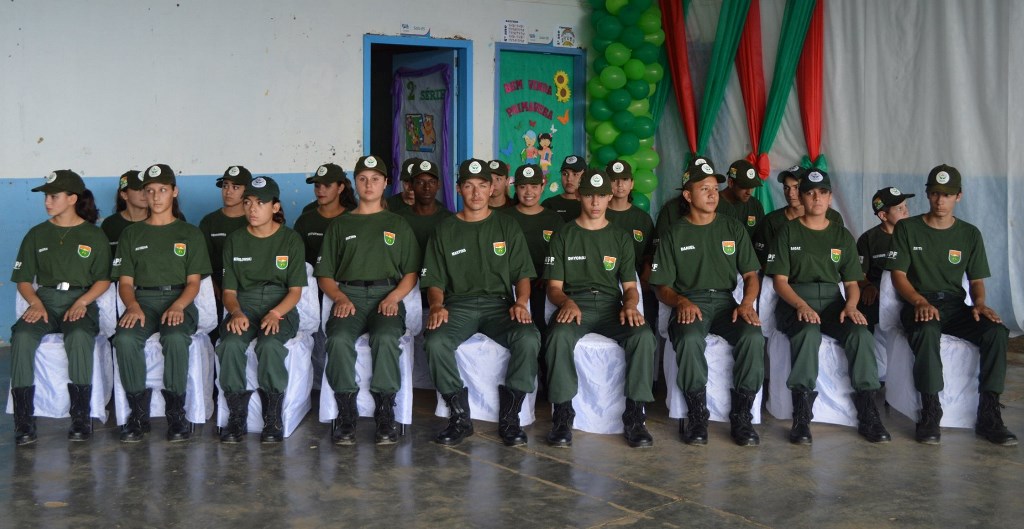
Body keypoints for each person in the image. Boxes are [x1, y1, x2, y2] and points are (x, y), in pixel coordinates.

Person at [887, 164, 1016, 446]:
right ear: (927, 194)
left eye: (947, 194)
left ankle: (989, 413)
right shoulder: (908, 228)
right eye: (935, 193)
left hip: (956, 306)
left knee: (996, 332)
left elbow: (977, 280)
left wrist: (980, 303)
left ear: (959, 196)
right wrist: (919, 300)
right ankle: (931, 411)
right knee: (927, 329)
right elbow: (898, 276)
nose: (940, 200)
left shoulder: (970, 234)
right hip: (919, 302)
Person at [421, 158, 540, 447]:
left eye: (482, 186)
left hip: (499, 305)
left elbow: (523, 274)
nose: (476, 193)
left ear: (492, 189)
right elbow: (434, 281)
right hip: (458, 305)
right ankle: (459, 415)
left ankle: (511, 416)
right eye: (469, 186)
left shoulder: (507, 226)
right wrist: (437, 306)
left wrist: (521, 302)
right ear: (459, 189)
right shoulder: (444, 229)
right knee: (435, 341)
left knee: (528, 338)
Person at [765, 169, 890, 445]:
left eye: (822, 193)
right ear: (802, 196)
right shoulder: (787, 232)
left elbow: (852, 282)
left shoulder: (841, 235)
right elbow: (780, 282)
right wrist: (800, 305)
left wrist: (852, 306)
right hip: (795, 301)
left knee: (859, 333)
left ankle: (868, 410)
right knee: (808, 331)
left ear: (830, 197)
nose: (816, 198)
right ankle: (801, 414)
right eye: (809, 192)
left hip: (834, 302)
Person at [649, 163, 765, 446]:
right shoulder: (675, 233)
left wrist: (747, 303)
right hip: (691, 303)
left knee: (752, 336)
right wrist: (680, 301)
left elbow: (751, 274)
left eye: (715, 189)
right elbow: (660, 285)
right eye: (704, 189)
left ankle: (742, 415)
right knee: (688, 339)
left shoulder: (732, 228)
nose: (713, 195)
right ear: (688, 196)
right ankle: (697, 415)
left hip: (727, 304)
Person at [544, 168, 657, 449]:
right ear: (580, 196)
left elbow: (630, 288)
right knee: (557, 336)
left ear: (610, 197)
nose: (595, 203)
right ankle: (562, 413)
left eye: (601, 196)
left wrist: (631, 305)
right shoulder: (563, 235)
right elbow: (554, 287)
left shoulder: (620, 237)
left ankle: (634, 415)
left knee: (642, 336)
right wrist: (565, 301)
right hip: (575, 304)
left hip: (610, 306)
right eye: (590, 196)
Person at [316, 155, 420, 445]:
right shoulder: (340, 225)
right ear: (355, 183)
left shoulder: (398, 224)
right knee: (336, 339)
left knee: (386, 337)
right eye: (363, 179)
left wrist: (395, 296)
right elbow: (324, 275)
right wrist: (338, 296)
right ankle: (346, 410)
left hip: (386, 295)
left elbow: (411, 272)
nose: (369, 184)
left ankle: (385, 410)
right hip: (348, 296)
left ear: (386, 183)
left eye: (376, 179)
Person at [111, 164, 212, 442]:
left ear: (174, 192)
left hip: (178, 299)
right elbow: (126, 283)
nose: (156, 197)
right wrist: (131, 306)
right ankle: (137, 413)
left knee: (176, 338)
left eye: (163, 190)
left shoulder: (190, 233)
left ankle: (176, 412)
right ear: (144, 194)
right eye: (150, 191)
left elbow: (194, 282)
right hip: (141, 301)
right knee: (125, 339)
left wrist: (179, 306)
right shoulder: (131, 234)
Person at [9, 170, 111, 445]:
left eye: (53, 196)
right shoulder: (37, 234)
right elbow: (23, 280)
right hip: (45, 301)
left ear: (72, 198)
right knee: (21, 336)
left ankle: (80, 416)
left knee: (78, 336)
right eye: (46, 196)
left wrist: (82, 302)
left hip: (80, 300)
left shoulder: (93, 235)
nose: (47, 201)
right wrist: (35, 302)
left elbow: (103, 279)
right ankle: (24, 420)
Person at [215, 176, 305, 444]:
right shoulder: (235, 240)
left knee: (269, 345)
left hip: (281, 306)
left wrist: (276, 313)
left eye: (261, 203)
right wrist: (236, 313)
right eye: (248, 202)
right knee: (230, 343)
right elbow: (229, 292)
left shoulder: (290, 240)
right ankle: (236, 416)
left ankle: (273, 416)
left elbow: (295, 291)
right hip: (245, 305)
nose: (253, 209)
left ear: (275, 207)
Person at [506, 164, 564, 394]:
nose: (528, 192)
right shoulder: (504, 218)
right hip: (511, 287)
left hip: (545, 284)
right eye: (522, 187)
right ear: (515, 188)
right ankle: (522, 384)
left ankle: (547, 377)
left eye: (533, 186)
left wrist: (548, 278)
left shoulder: (554, 220)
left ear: (542, 187)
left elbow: (560, 257)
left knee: (545, 325)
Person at [752, 165, 844, 268]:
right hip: (779, 277)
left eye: (796, 187)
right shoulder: (771, 221)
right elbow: (762, 260)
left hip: (826, 278)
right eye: (786, 188)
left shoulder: (833, 217)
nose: (791, 194)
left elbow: (841, 257)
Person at [199, 165, 252, 334]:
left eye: (235, 187)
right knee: (214, 329)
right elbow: (201, 260)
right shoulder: (209, 221)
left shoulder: (254, 220)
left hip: (247, 285)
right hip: (215, 284)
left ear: (247, 190)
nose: (228, 191)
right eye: (225, 186)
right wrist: (211, 285)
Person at [856, 186, 914, 329]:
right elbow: (858, 274)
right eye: (899, 208)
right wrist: (868, 286)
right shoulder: (868, 239)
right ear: (883, 215)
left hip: (910, 292)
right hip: (878, 295)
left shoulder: (916, 235)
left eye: (905, 206)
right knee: (861, 319)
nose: (906, 211)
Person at [293, 162, 355, 265]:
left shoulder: (353, 217)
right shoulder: (305, 220)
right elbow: (297, 258)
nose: (320, 190)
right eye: (317, 186)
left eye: (327, 185)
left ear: (340, 188)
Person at [396, 159, 452, 255]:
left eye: (432, 182)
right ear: (411, 185)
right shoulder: (399, 219)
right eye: (420, 182)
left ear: (438, 185)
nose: (426, 187)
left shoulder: (449, 220)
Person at [101, 170, 147, 250]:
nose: (145, 194)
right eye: (139, 189)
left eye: (147, 189)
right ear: (124, 195)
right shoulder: (109, 224)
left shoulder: (158, 221)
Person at [720, 159, 765, 239]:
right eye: (744, 186)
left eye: (752, 187)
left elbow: (761, 239)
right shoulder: (711, 204)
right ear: (731, 183)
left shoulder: (755, 205)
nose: (749, 192)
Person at [542, 155, 585, 222]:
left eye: (575, 174)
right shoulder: (549, 204)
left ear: (584, 176)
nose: (569, 179)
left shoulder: (588, 205)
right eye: (565, 174)